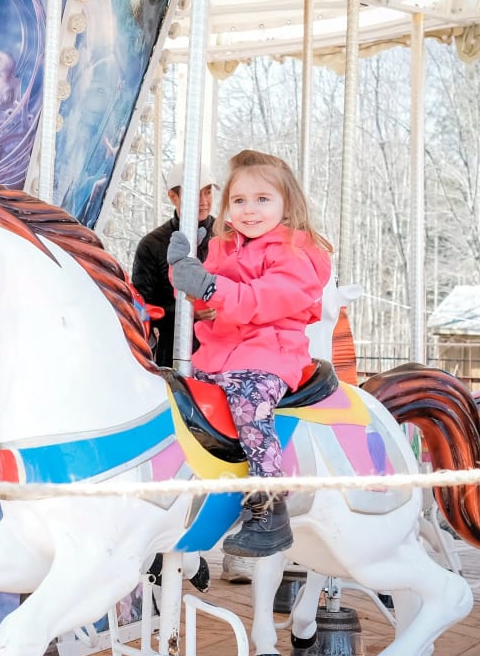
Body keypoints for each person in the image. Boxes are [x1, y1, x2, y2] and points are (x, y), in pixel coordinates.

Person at [167, 150, 332, 558]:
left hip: (268, 354)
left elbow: (266, 299)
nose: (249, 210)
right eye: (239, 201)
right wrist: (182, 272)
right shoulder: (224, 246)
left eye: (263, 199)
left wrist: (210, 287)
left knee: (249, 407)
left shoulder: (297, 250)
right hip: (215, 354)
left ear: (287, 204)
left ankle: (269, 506)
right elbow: (199, 297)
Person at [131, 161, 216, 366]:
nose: (204, 201)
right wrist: (186, 311)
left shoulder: (228, 236)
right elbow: (140, 307)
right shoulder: (152, 244)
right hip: (175, 352)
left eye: (208, 192)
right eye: (195, 193)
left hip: (223, 350)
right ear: (173, 196)